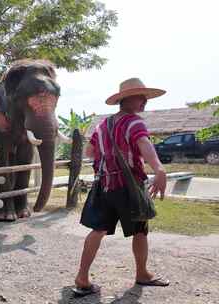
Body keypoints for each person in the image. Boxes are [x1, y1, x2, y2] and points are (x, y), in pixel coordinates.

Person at [72, 78, 170, 297]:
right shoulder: (134, 123)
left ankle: (82, 277)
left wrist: (109, 157)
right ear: (126, 99)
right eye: (140, 96)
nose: (144, 101)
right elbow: (145, 145)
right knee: (140, 230)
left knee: (98, 230)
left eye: (145, 97)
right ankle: (142, 273)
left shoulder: (102, 125)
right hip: (129, 187)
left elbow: (90, 152)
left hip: (106, 186)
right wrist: (159, 169)